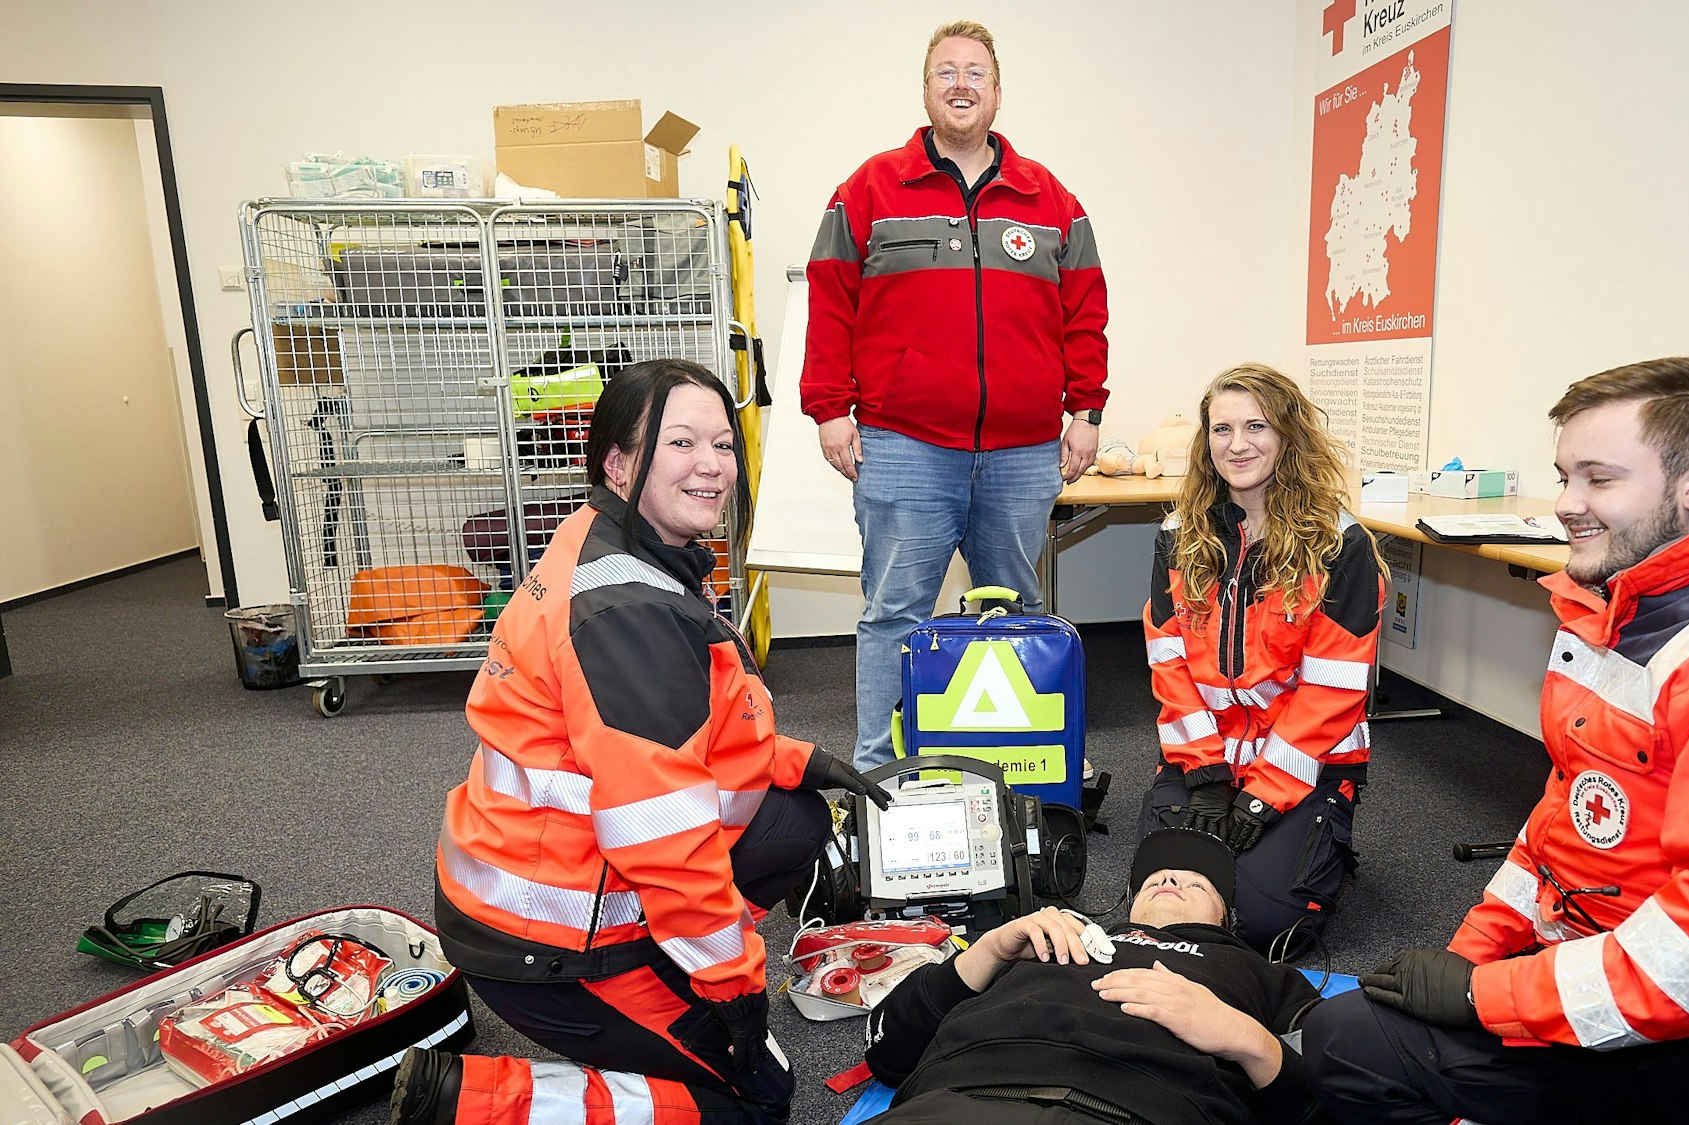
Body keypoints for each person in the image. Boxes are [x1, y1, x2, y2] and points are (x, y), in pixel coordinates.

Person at [1304, 356, 1689, 1125]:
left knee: (1347, 1040)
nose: (1565, 504)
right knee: (1365, 1028)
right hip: (1614, 972)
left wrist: (1487, 993)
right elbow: (1571, 814)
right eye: (1563, 475)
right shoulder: (1622, 599)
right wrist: (1474, 949)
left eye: (1598, 479)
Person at [391, 360, 890, 1125]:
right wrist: (735, 986)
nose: (712, 464)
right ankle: (468, 1100)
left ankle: (671, 965)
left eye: (724, 444)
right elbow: (662, 832)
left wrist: (796, 760)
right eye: (681, 442)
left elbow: (682, 734)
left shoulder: (616, 537)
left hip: (544, 873)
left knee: (797, 819)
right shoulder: (628, 609)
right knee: (756, 1104)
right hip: (549, 939)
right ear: (619, 464)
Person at [803, 19, 1110, 770]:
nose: (961, 84)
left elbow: (1086, 310)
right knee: (893, 616)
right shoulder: (869, 189)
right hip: (905, 445)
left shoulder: (1052, 201)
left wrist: (1086, 410)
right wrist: (829, 407)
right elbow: (830, 300)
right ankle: (878, 770)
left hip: (1022, 450)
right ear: (927, 90)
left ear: (998, 92)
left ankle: (1015, 762)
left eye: (976, 72)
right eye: (946, 72)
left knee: (1016, 616)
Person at [1141, 364, 1387, 950]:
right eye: (1221, 429)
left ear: (1287, 435)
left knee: (1263, 926)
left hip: (1303, 761)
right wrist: (1203, 774)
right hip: (1205, 754)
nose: (1238, 444)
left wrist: (1263, 793)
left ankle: (1324, 847)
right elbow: (1169, 660)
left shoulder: (1338, 543)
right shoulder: (1180, 535)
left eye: (1257, 426)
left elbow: (1334, 691)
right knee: (1159, 908)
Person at [862, 828, 1327, 1125]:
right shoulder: (1050, 936)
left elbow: (1340, 1099)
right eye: (1156, 879)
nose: (1170, 882)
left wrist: (1247, 1037)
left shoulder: (1261, 972)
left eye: (1195, 884)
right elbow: (887, 1050)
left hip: (1141, 1109)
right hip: (959, 1097)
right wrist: (989, 949)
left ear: (1225, 919)